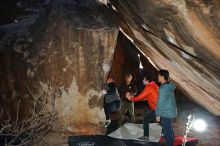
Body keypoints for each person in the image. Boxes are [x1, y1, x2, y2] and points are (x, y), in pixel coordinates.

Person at [126, 73, 159, 141]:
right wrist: (135, 97)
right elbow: (148, 96)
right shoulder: (154, 84)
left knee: (146, 119)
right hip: (160, 107)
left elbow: (140, 97)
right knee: (164, 121)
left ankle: (146, 137)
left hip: (157, 108)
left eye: (144, 79)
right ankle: (166, 134)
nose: (142, 80)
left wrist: (130, 98)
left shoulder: (149, 87)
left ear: (147, 80)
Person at [156, 70, 177, 146]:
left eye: (158, 76)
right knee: (168, 127)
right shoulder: (169, 85)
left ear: (162, 77)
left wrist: (158, 115)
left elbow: (160, 103)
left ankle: (170, 143)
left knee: (166, 129)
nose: (157, 77)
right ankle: (172, 139)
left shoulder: (163, 89)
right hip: (170, 110)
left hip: (165, 112)